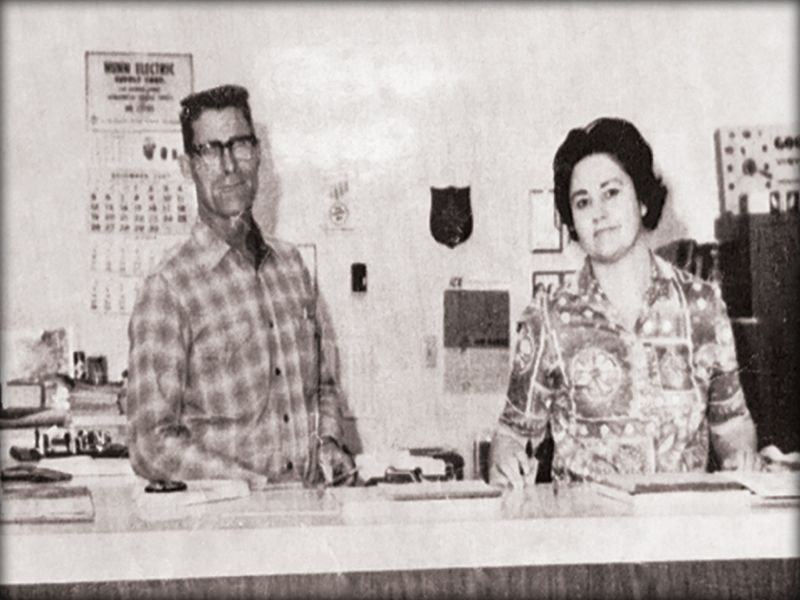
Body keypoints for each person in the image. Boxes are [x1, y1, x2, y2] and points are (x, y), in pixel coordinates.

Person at [490, 117, 757, 487]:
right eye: (582, 202)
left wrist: (741, 457)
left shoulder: (703, 306)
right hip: (586, 536)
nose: (598, 212)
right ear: (573, 222)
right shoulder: (548, 317)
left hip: (682, 535)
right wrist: (506, 461)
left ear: (643, 200)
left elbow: (732, 425)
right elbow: (511, 434)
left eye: (611, 193)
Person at [126, 84, 355, 489]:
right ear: (187, 167)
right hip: (225, 533)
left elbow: (322, 386)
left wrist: (329, 442)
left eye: (239, 145)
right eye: (209, 150)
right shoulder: (169, 288)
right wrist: (245, 485)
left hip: (305, 522)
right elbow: (150, 443)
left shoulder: (291, 268)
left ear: (258, 154)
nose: (229, 164)